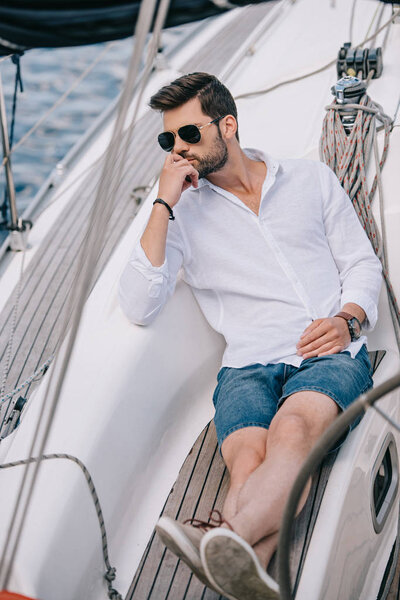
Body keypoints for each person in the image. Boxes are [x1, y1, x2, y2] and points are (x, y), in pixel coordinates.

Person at [118, 72, 382, 599]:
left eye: (188, 135)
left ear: (228, 125)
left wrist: (347, 319)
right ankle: (253, 570)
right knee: (249, 461)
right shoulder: (181, 216)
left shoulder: (310, 179)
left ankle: (225, 536)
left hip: (328, 353)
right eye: (168, 141)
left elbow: (361, 264)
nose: (179, 151)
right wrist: (164, 202)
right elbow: (139, 302)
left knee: (292, 437)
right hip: (246, 366)